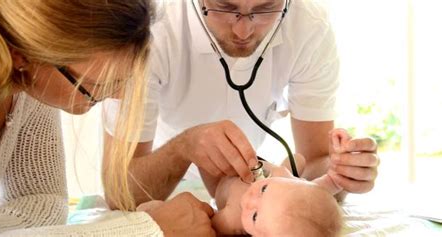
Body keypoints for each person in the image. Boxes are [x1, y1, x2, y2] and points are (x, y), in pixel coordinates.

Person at [0, 0, 215, 236]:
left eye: (120, 82)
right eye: (96, 86)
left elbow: (44, 201)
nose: (117, 94)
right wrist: (148, 230)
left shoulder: (28, 75)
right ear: (24, 55)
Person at [103, 0, 379, 208]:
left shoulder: (310, 26)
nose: (244, 30)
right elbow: (119, 193)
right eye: (225, 7)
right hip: (159, 196)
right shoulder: (149, 30)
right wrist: (184, 148)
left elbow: (315, 162)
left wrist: (341, 171)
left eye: (265, 8)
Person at [201, 129, 351, 236]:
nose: (250, 199)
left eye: (254, 217)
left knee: (205, 160)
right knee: (298, 159)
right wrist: (341, 155)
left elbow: (206, 226)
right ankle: (288, 170)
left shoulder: (233, 220)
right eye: (264, 190)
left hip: (222, 179)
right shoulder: (293, 187)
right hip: (274, 171)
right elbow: (333, 180)